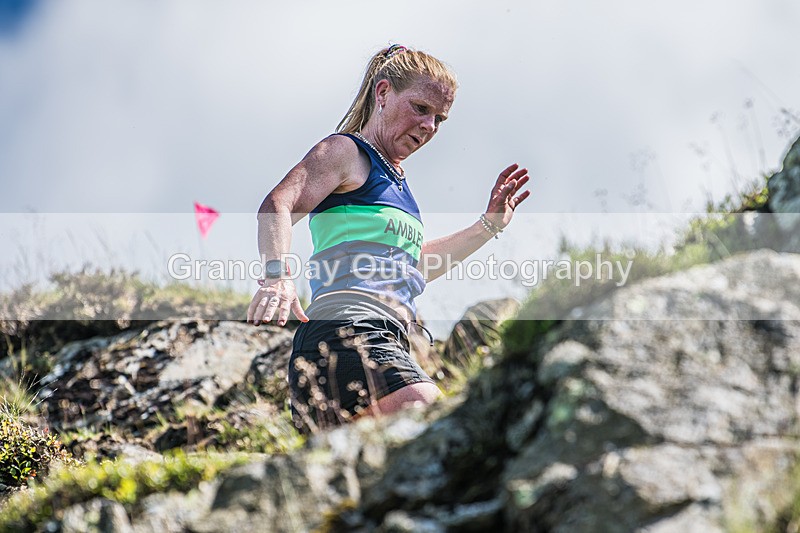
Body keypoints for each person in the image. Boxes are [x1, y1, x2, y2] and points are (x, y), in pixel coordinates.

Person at [247, 44, 530, 433]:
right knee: (431, 419)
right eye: (421, 108)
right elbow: (279, 203)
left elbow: (411, 270)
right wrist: (277, 277)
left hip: (385, 339)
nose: (430, 126)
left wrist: (489, 225)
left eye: (440, 118)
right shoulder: (346, 152)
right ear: (383, 93)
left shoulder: (399, 187)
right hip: (347, 331)